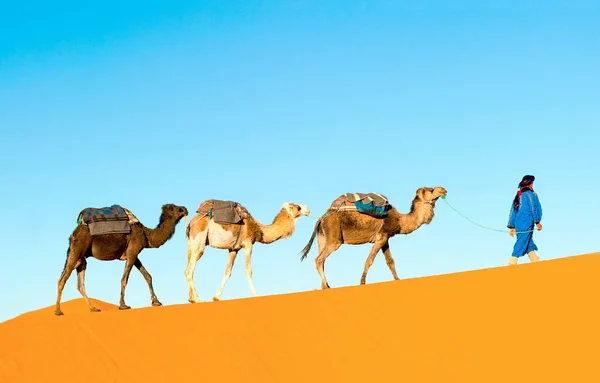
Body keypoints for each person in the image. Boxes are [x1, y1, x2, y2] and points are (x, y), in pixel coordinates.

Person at [507, 175, 543, 265]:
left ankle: (535, 260)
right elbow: (534, 208)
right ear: (530, 184)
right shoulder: (532, 195)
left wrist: (512, 226)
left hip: (518, 223)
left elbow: (513, 211)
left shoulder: (518, 196)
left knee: (528, 241)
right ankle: (512, 261)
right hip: (527, 222)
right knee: (522, 241)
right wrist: (537, 221)